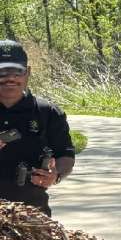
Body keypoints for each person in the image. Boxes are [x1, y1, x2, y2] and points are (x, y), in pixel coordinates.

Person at [0, 40, 76, 216]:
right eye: (2, 71)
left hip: (33, 217)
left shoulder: (47, 112)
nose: (10, 78)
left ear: (27, 73)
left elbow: (66, 155)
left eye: (17, 71)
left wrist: (55, 175)